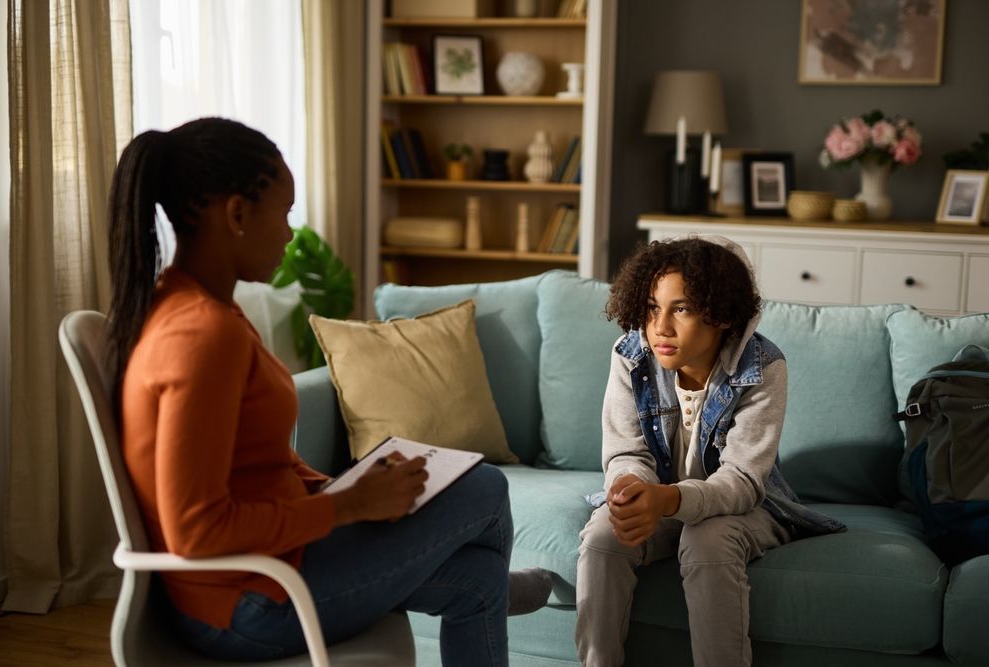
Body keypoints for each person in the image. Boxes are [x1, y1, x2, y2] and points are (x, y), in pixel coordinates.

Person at [107, 117, 551, 665]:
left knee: (479, 580)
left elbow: (253, 459)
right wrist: (347, 507)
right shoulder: (202, 334)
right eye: (285, 213)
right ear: (238, 215)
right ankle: (506, 586)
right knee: (482, 486)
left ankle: (499, 585)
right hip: (248, 602)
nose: (291, 234)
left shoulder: (201, 309)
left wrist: (342, 489)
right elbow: (196, 531)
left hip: (273, 566)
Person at [575, 237, 844, 667]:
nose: (659, 326)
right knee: (606, 533)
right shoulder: (631, 355)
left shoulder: (763, 367)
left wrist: (672, 499)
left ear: (720, 314)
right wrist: (632, 490)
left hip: (746, 505)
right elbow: (627, 452)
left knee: (708, 537)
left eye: (680, 309)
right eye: (651, 307)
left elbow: (740, 481)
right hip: (663, 495)